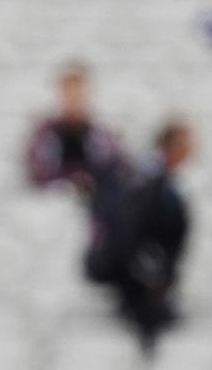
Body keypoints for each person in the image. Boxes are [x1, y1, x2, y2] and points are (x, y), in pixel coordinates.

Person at [84, 118, 194, 353]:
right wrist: (147, 274)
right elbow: (129, 228)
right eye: (185, 142)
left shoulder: (160, 180)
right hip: (131, 270)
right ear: (170, 144)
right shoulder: (146, 179)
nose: (191, 149)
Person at [24, 62, 128, 216]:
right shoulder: (46, 133)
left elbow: (116, 166)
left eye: (78, 92)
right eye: (69, 92)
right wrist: (72, 179)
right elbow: (37, 173)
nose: (73, 98)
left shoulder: (99, 132)